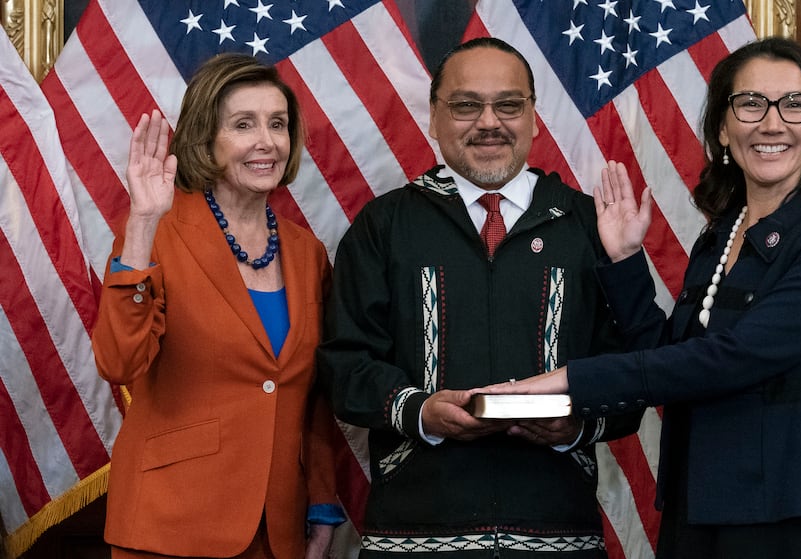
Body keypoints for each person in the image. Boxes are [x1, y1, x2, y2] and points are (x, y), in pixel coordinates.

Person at [485, 37, 801, 559]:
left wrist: (573, 380)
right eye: (750, 103)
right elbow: (672, 359)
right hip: (695, 510)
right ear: (723, 128)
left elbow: (733, 359)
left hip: (790, 518)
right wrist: (625, 260)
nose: (772, 123)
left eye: (795, 104)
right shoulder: (720, 236)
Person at [319, 37, 639, 558]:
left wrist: (576, 424)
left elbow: (634, 368)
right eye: (466, 105)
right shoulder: (384, 226)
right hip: (413, 536)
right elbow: (345, 366)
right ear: (434, 117)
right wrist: (420, 411)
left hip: (558, 534)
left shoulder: (590, 225)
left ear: (534, 117)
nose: (489, 122)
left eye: (508, 105)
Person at [91, 53, 344, 559]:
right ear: (205, 138)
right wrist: (142, 224)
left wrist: (320, 502)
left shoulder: (306, 252)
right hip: (170, 525)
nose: (266, 141)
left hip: (277, 532)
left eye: (278, 124)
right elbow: (118, 362)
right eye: (243, 124)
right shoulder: (157, 234)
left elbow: (314, 392)